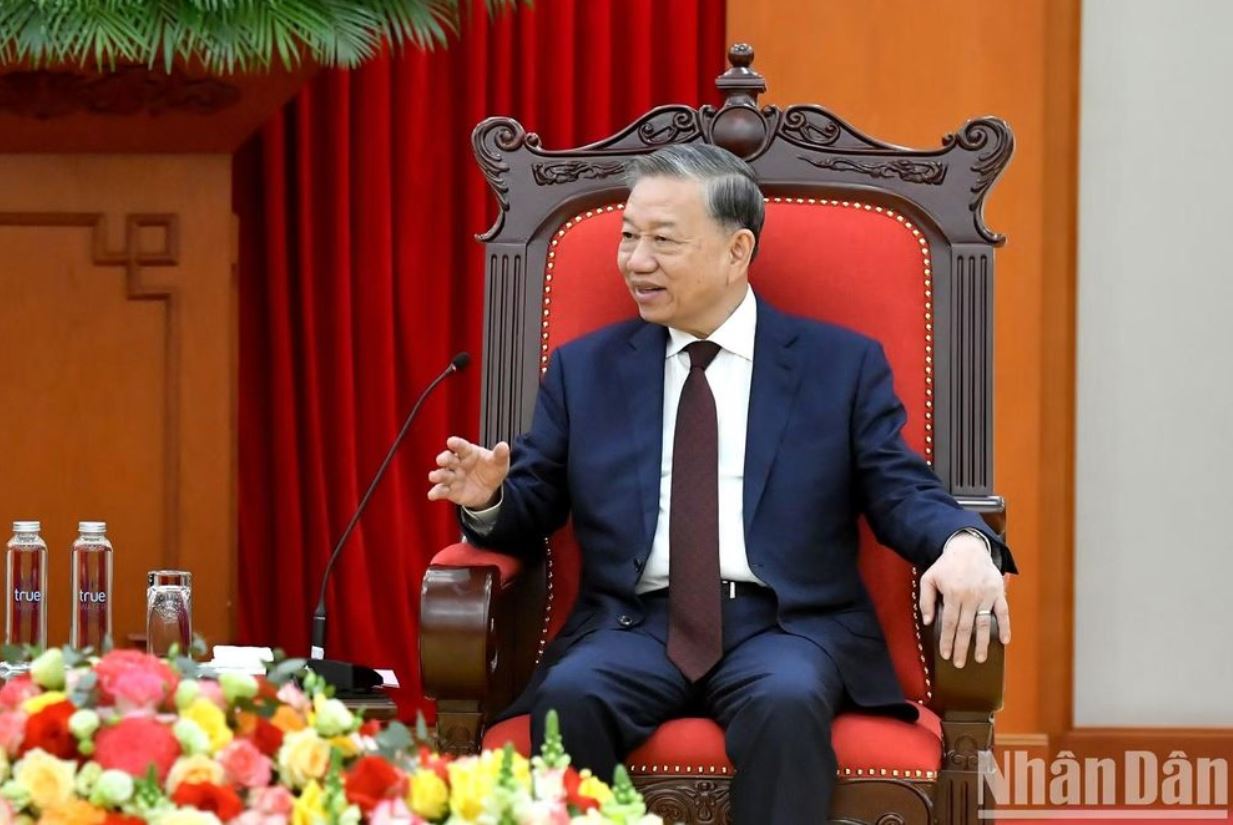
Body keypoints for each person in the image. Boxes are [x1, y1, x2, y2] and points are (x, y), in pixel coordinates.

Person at [428, 143, 1015, 823]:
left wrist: (963, 540)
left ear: (737, 251)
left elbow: (898, 487)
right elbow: (533, 504)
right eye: (628, 236)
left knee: (785, 701)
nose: (635, 260)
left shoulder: (837, 366)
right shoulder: (585, 370)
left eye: (662, 240)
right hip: (633, 622)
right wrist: (489, 499)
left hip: (786, 626)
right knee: (570, 700)